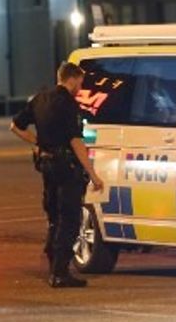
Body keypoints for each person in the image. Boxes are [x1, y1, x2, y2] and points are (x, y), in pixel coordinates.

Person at [10, 61, 105, 288]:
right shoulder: (68, 104)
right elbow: (76, 141)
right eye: (80, 82)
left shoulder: (39, 99)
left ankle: (54, 266)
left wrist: (38, 143)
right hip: (65, 167)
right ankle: (60, 272)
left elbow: (14, 126)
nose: (80, 87)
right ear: (71, 79)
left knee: (53, 217)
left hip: (46, 165)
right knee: (70, 218)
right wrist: (93, 173)